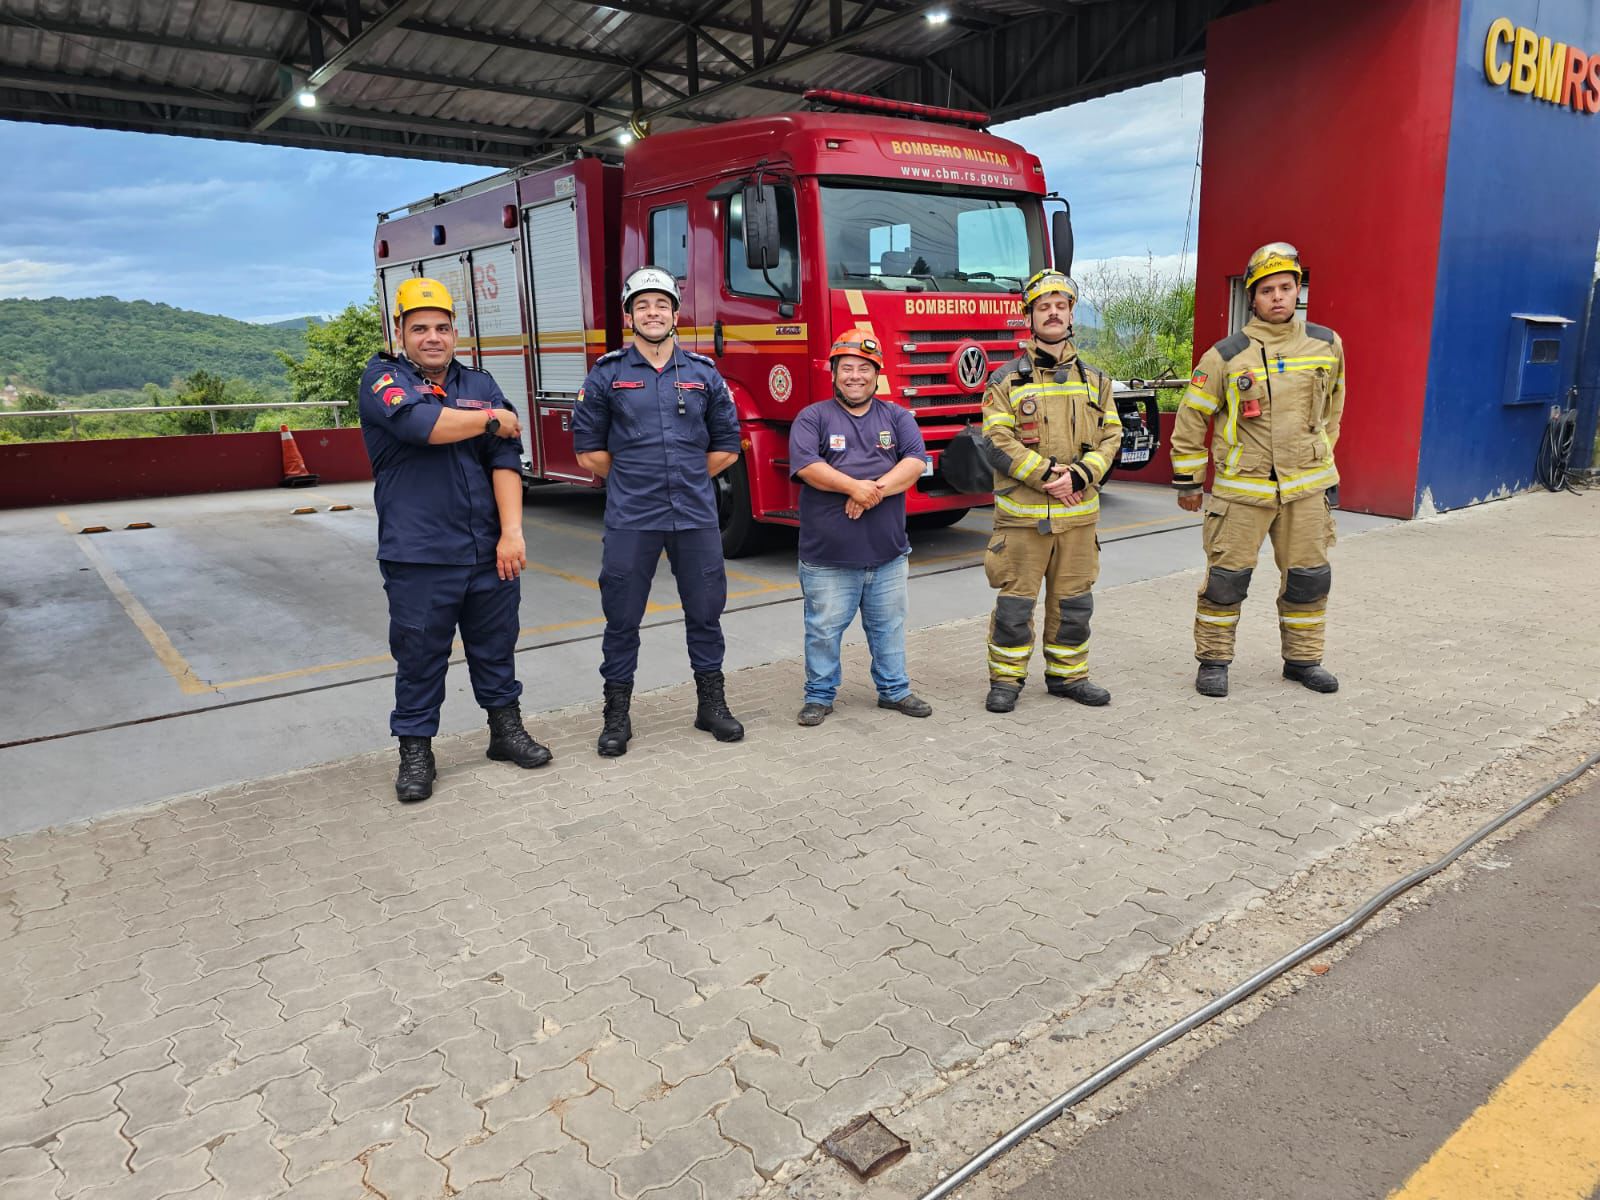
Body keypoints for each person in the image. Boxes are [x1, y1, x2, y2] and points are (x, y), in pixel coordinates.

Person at [358, 277, 552, 804]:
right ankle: (416, 751)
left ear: (455, 332)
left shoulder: (480, 381)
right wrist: (491, 418)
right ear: (399, 331)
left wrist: (512, 533)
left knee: (496, 648)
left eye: (442, 327)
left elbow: (506, 459)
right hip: (419, 554)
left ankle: (505, 731)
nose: (433, 337)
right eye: (419, 328)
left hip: (488, 552)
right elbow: (423, 425)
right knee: (420, 656)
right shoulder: (383, 379)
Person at [572, 267, 745, 757]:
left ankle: (711, 705)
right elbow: (589, 451)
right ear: (629, 316)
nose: (653, 313)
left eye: (662, 305)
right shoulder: (607, 374)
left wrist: (685, 474)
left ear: (675, 314)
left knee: (706, 612)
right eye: (642, 305)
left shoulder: (703, 374)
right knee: (621, 617)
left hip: (694, 515)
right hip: (633, 516)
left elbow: (727, 447)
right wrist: (635, 477)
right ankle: (617, 716)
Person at [1169, 241, 1345, 698]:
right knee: (1226, 581)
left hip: (1305, 491)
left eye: (1286, 287)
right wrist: (1189, 481)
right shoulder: (1227, 354)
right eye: (1268, 290)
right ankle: (1213, 661)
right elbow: (1191, 417)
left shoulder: (1327, 345)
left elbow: (1333, 411)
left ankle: (1304, 660)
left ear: (1298, 290)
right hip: (1242, 492)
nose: (1278, 297)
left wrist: (1323, 467)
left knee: (1309, 579)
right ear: (1253, 296)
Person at [979, 269, 1122, 713]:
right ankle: (1006, 680)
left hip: (1078, 520)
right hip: (1023, 521)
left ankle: (1067, 677)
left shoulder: (1096, 380)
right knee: (1015, 609)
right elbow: (996, 442)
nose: (1053, 313)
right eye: (1044, 306)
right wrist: (1048, 476)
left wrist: (1079, 476)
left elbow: (1112, 437)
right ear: (1030, 317)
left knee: (1075, 605)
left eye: (1061, 305)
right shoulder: (1005, 380)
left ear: (1071, 313)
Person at [788, 332, 934, 727]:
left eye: (864, 369)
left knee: (888, 628)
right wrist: (852, 486)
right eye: (847, 368)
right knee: (823, 631)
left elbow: (915, 463)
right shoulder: (812, 418)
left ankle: (894, 690)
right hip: (828, 558)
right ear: (833, 374)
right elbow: (806, 466)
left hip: (887, 554)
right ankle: (818, 696)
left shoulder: (897, 417)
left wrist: (871, 492)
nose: (855, 376)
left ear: (877, 375)